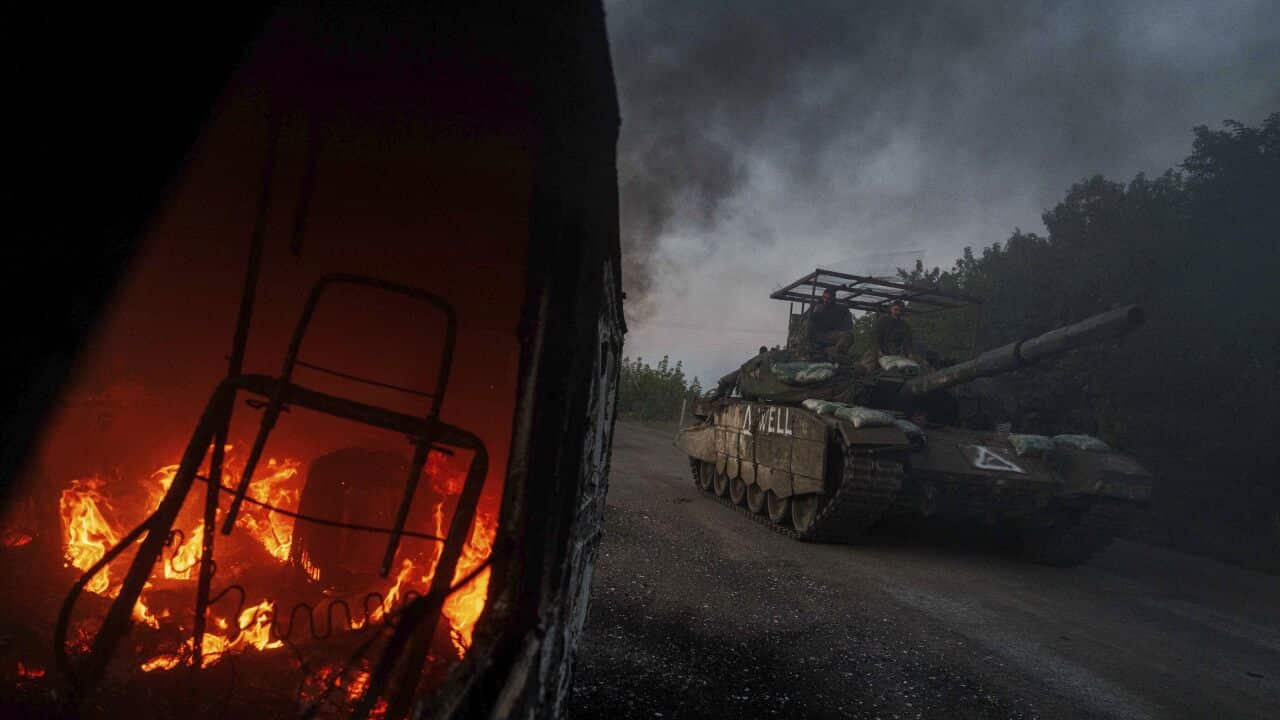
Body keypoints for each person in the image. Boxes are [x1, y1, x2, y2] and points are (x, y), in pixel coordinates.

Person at [865, 299, 923, 369]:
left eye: (900, 310)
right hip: (880, 350)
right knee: (868, 364)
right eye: (896, 309)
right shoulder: (883, 321)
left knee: (918, 362)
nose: (898, 312)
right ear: (891, 309)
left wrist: (910, 353)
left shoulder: (904, 325)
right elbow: (875, 337)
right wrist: (879, 351)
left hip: (896, 352)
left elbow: (908, 342)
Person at [804, 288, 853, 360]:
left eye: (828, 298)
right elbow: (808, 319)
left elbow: (848, 326)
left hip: (832, 335)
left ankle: (833, 352)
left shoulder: (840, 309)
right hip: (820, 336)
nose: (826, 300)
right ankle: (824, 351)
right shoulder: (818, 307)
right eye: (824, 298)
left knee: (848, 335)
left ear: (833, 298)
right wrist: (812, 310)